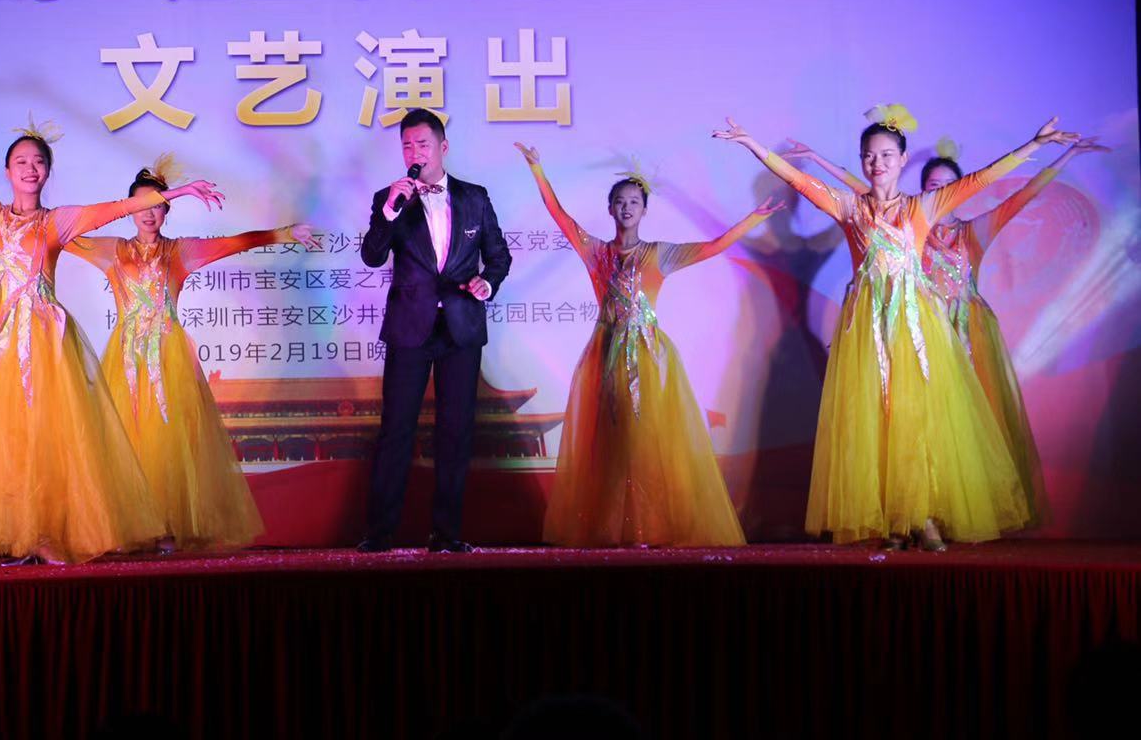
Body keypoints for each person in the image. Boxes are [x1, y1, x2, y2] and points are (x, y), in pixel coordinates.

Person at [0, 87, 220, 563]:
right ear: (8, 171)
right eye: (21, 161)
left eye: (38, 162)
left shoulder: (58, 222)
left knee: (47, 437)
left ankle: (46, 532)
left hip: (44, 341)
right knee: (1, 437)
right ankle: (14, 530)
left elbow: (117, 208)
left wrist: (176, 193)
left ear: (47, 172)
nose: (30, 168)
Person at [714, 106, 1075, 548]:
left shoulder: (923, 206)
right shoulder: (850, 206)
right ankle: (896, 522)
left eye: (886, 155)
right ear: (861, 160)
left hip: (916, 329)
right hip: (868, 332)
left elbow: (981, 179)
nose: (877, 163)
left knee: (919, 420)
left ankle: (925, 517)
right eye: (869, 155)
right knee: (878, 424)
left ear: (903, 160)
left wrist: (1034, 145)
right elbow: (798, 180)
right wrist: (752, 144)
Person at [781, 133, 1108, 528]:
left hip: (960, 335)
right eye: (932, 185)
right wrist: (818, 158)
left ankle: (957, 512)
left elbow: (1019, 195)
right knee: (906, 422)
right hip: (907, 331)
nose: (938, 190)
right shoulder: (907, 221)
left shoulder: (972, 232)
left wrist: (1056, 153)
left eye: (946, 185)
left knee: (960, 428)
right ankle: (912, 515)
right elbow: (864, 191)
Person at [517, 143, 777, 546]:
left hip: (648, 357)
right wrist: (538, 169)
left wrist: (752, 219)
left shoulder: (660, 254)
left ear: (644, 210)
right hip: (606, 353)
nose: (626, 208)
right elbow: (560, 216)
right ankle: (612, 527)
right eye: (620, 202)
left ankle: (650, 526)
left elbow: (713, 247)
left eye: (634, 203)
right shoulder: (596, 252)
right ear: (610, 209)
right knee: (613, 440)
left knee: (646, 442)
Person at [66, 155, 315, 549]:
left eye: (157, 204)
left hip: (169, 358)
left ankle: (166, 525)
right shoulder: (112, 251)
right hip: (126, 357)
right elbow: (62, 235)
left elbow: (232, 244)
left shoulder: (179, 251)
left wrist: (282, 234)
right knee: (124, 439)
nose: (149, 212)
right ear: (129, 209)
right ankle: (127, 526)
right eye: (141, 204)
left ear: (167, 209)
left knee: (168, 442)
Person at [357, 109, 511, 553]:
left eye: (422, 145)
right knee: (396, 430)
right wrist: (389, 211)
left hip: (461, 327)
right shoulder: (390, 199)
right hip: (410, 327)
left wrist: (488, 283)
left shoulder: (475, 198)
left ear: (443, 147)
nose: (414, 153)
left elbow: (498, 256)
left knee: (455, 432)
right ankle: (380, 534)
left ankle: (446, 535)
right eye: (407, 146)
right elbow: (372, 256)